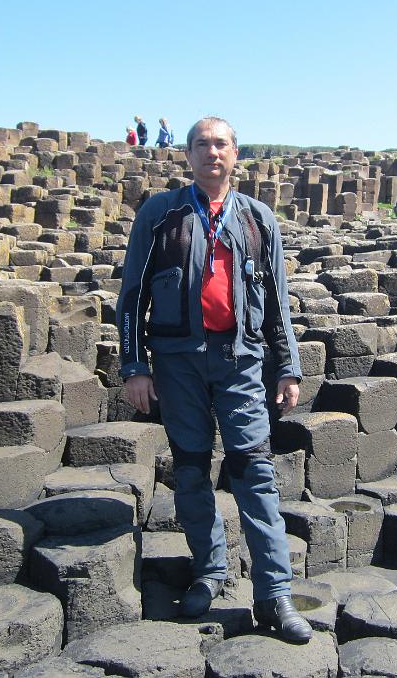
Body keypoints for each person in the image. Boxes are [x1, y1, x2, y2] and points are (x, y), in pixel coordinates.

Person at [117, 116, 311, 643]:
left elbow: (277, 302)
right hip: (178, 360)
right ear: (188, 155)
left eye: (220, 144)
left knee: (254, 469)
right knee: (191, 470)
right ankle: (209, 572)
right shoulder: (161, 214)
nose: (211, 152)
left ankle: (275, 595)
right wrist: (134, 368)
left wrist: (288, 366)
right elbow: (132, 295)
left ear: (235, 153)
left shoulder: (258, 218)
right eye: (201, 144)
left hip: (241, 359)